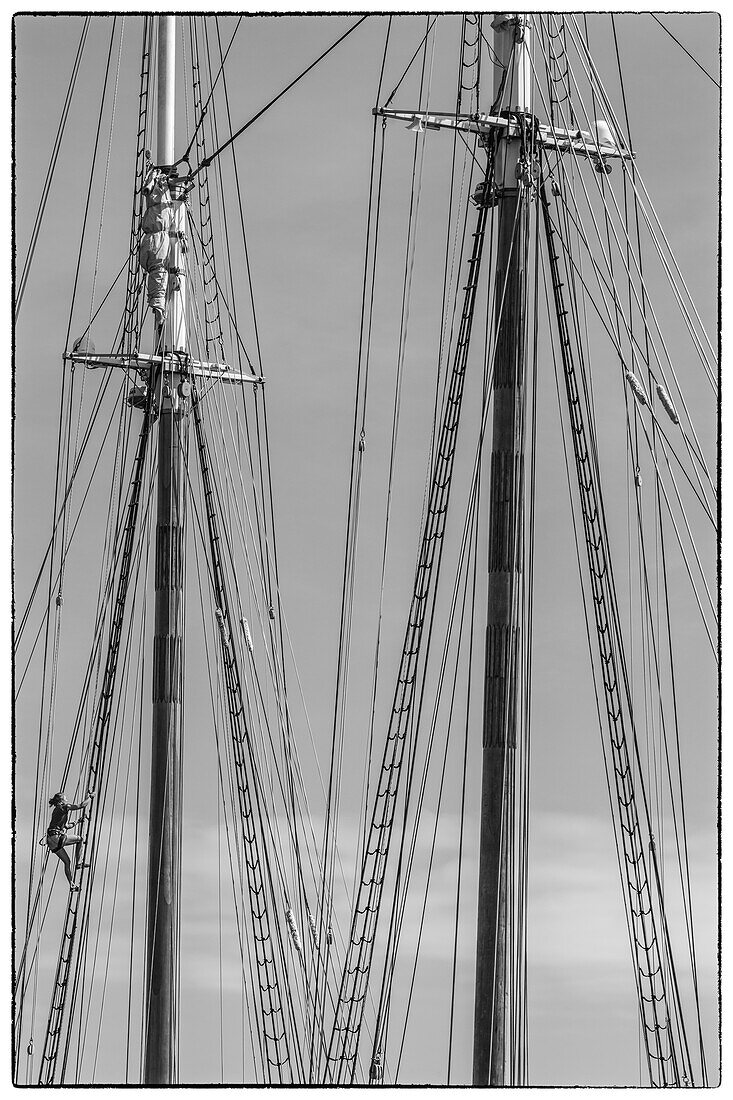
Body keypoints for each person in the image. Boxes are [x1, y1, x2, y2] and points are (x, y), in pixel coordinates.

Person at [45, 789, 94, 890]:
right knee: (80, 839)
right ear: (61, 800)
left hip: (51, 840)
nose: (67, 800)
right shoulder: (65, 806)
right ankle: (79, 863)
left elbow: (66, 826)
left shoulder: (57, 810)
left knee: (67, 861)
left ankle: (71, 884)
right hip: (57, 836)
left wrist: (77, 822)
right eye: (65, 798)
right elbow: (81, 805)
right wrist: (90, 797)